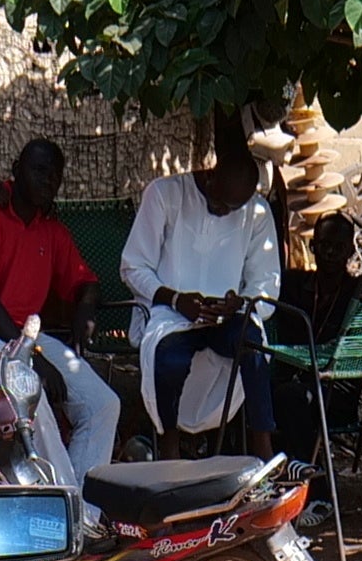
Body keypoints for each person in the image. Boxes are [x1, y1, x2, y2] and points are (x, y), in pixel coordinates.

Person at [0, 137, 118, 479]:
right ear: (17, 169)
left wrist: (85, 308)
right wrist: (33, 357)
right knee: (31, 392)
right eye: (39, 170)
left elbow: (86, 281)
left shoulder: (51, 231)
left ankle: (88, 512)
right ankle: (66, 507)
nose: (47, 180)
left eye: (55, 175)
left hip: (20, 336)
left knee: (103, 405)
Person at [121, 128, 284, 447]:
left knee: (251, 349)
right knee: (169, 359)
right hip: (171, 314)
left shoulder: (257, 211)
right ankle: (168, 449)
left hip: (227, 317)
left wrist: (238, 304)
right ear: (210, 178)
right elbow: (133, 266)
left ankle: (263, 446)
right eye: (220, 203)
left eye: (234, 208)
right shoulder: (165, 195)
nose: (225, 213)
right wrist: (177, 299)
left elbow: (266, 284)